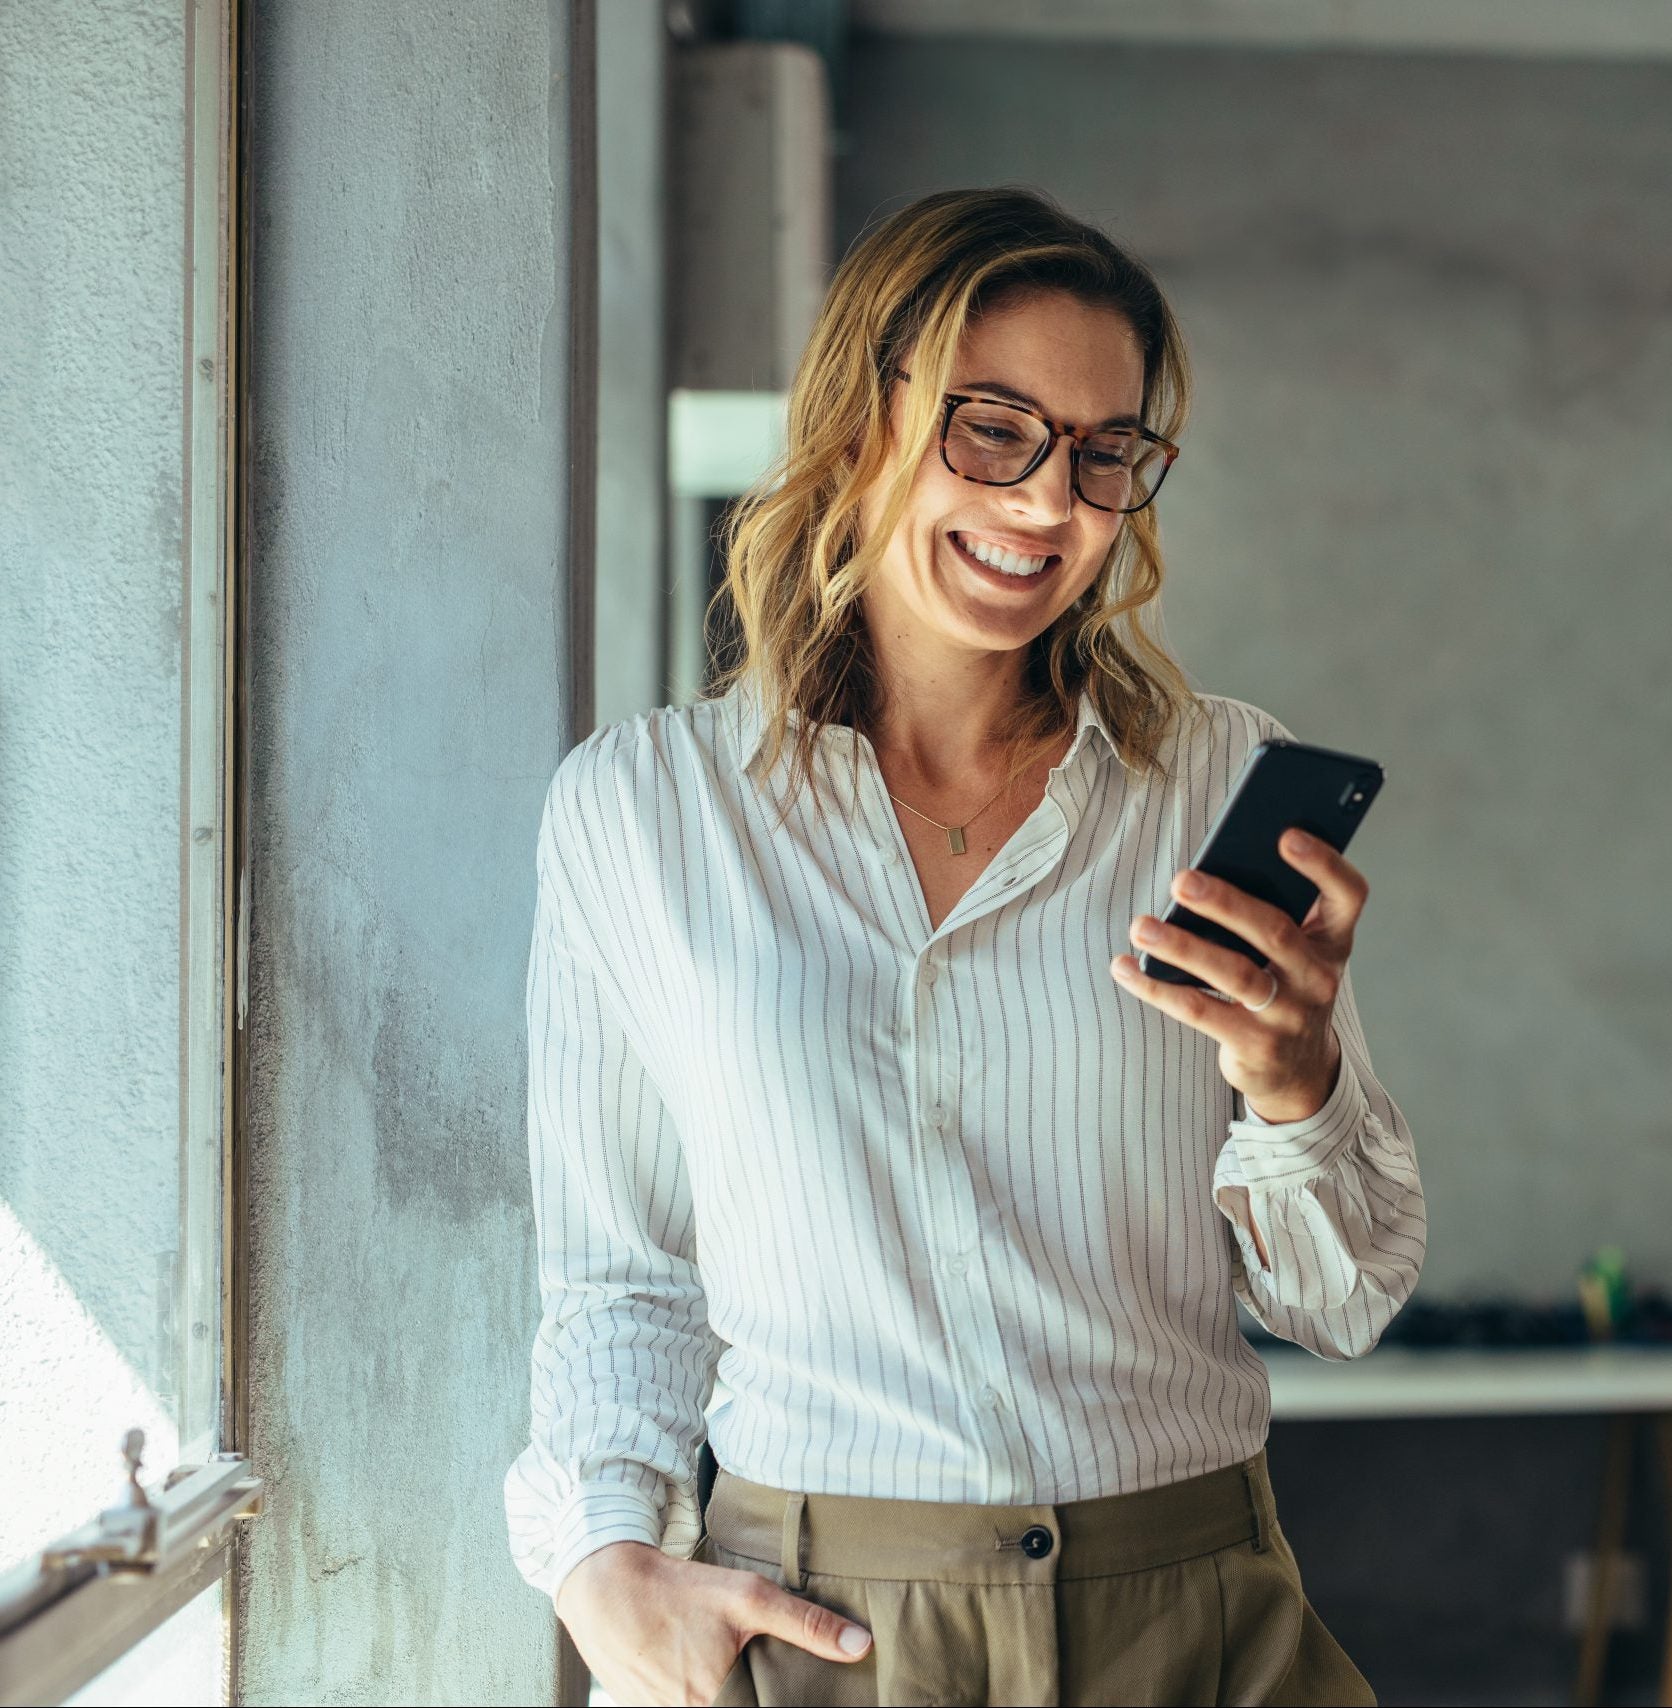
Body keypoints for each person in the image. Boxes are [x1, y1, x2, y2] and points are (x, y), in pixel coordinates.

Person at [504, 186, 1425, 1707]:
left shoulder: (1209, 786)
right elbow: (620, 1276)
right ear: (860, 419)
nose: (1050, 506)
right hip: (824, 1628)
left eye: (1104, 452)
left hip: (1192, 1614)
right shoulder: (642, 811)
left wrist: (1294, 1083)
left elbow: (1344, 1301)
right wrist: (602, 1566)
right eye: (990, 428)